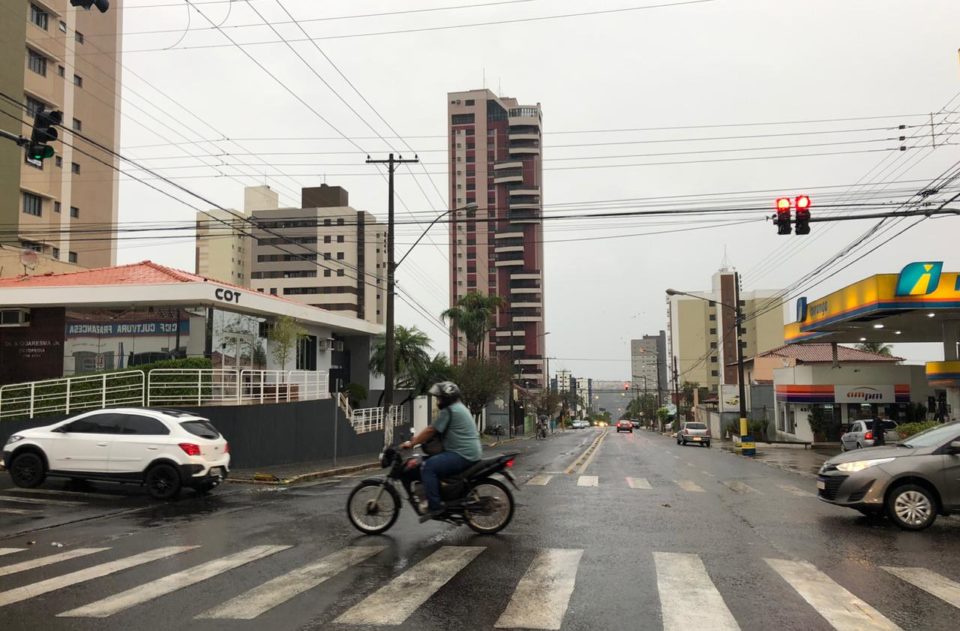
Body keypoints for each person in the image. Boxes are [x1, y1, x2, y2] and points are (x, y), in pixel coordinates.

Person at [400, 381, 481, 522]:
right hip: (467, 452)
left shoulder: (450, 411)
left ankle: (435, 506)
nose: (438, 401)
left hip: (461, 454)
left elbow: (431, 430)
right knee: (424, 461)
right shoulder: (458, 407)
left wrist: (412, 442)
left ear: (447, 398)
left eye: (440, 398)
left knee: (428, 467)